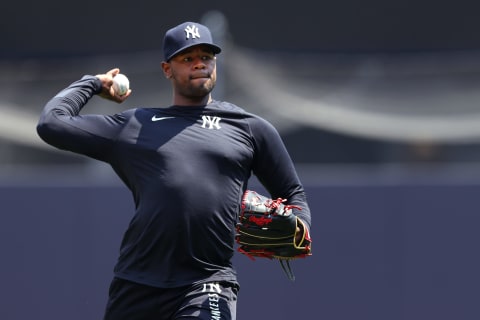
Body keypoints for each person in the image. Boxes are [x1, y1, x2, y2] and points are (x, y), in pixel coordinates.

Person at [36, 21, 312, 320]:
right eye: (187, 58)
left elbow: (292, 193)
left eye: (206, 57)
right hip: (136, 283)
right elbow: (52, 124)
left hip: (208, 283)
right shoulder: (135, 126)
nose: (199, 65)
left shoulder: (250, 128)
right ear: (167, 69)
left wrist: (300, 226)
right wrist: (92, 83)